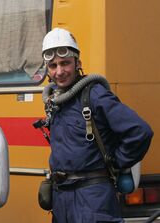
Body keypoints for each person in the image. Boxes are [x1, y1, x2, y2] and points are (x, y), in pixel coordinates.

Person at [41, 28, 153, 223]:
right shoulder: (55, 102)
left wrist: (115, 163)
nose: (59, 71)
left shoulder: (95, 95)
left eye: (65, 63)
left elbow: (140, 132)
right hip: (62, 200)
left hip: (93, 200)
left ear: (78, 63)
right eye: (53, 65)